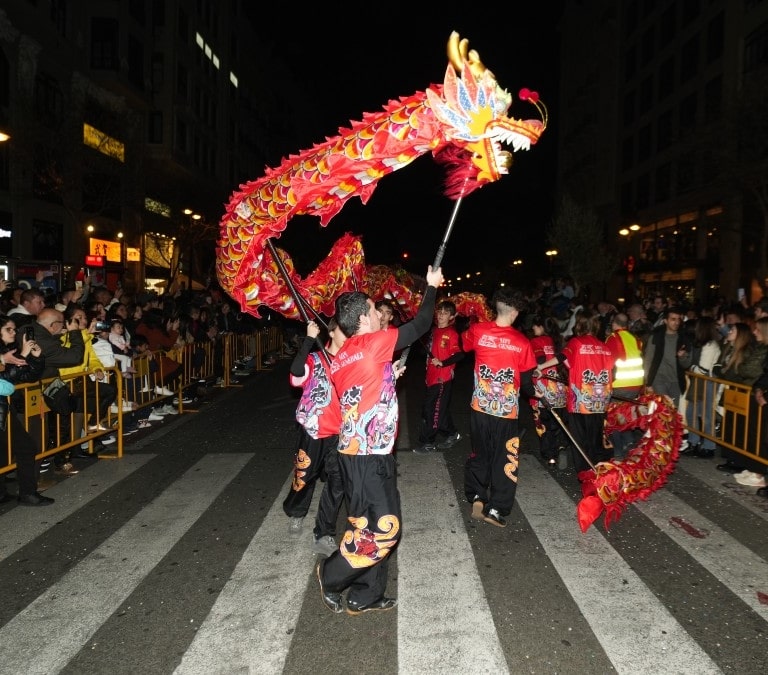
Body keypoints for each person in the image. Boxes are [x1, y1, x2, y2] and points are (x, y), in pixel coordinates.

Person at [316, 264, 443, 616]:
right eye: (374, 310)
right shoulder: (372, 343)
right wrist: (431, 287)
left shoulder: (342, 356)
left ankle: (365, 594)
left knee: (366, 525)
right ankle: (332, 573)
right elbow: (419, 326)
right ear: (362, 319)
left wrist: (389, 374)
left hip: (357, 453)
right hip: (369, 455)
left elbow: (361, 390)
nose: (379, 313)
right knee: (386, 528)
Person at [461, 287, 537, 528]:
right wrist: (538, 396)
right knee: (505, 457)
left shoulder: (478, 331)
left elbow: (464, 347)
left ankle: (476, 495)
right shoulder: (522, 342)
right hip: (506, 413)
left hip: (480, 407)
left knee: (480, 452)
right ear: (514, 312)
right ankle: (496, 508)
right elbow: (526, 384)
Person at [283, 317, 346, 558]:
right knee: (303, 476)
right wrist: (309, 340)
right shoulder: (316, 358)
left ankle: (324, 532)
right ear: (330, 332)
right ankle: (296, 511)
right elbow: (296, 372)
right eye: (343, 329)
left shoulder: (351, 360)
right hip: (313, 431)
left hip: (341, 432)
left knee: (338, 483)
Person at [538, 310, 614, 476]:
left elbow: (561, 358)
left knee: (579, 440)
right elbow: (611, 370)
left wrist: (540, 368)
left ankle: (585, 474)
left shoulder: (576, 343)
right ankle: (597, 470)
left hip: (580, 401)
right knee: (595, 438)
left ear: (578, 325)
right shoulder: (604, 346)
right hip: (600, 400)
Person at [0, 314, 53, 505]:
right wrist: (21, 354)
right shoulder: (8, 353)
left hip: (5, 407)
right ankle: (28, 493)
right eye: (9, 329)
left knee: (9, 450)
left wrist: (37, 358)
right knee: (25, 448)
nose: (14, 333)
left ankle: (10, 492)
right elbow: (5, 378)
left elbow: (27, 376)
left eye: (14, 329)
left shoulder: (9, 351)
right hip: (3, 406)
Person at [413, 299, 464, 454]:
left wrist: (443, 362)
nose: (441, 315)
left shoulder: (451, 333)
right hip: (431, 376)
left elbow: (460, 354)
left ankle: (428, 442)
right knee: (438, 410)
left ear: (452, 316)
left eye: (445, 313)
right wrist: (419, 341)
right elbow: (425, 352)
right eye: (439, 312)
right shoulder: (434, 330)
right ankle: (452, 434)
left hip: (442, 379)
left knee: (432, 411)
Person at [528, 315, 569, 466]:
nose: (533, 328)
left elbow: (539, 360)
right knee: (558, 423)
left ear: (541, 327)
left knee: (543, 425)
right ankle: (561, 447)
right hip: (560, 390)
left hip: (543, 390)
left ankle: (550, 456)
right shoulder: (559, 342)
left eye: (535, 326)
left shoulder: (536, 341)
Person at [605, 312, 645, 458]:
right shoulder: (635, 339)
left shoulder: (612, 338)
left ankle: (618, 450)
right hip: (636, 384)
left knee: (613, 417)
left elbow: (608, 362)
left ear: (614, 324)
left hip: (619, 384)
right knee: (625, 413)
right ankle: (629, 441)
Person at [682, 316, 722, 459]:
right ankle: (695, 442)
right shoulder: (707, 344)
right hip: (703, 382)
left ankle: (708, 446)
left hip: (707, 382)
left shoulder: (710, 345)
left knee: (705, 415)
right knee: (693, 413)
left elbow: (703, 369)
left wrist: (692, 368)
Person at [643, 306, 691, 409]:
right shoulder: (656, 337)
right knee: (663, 410)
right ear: (665, 321)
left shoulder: (683, 338)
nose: (676, 322)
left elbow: (687, 364)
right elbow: (648, 360)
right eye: (673, 319)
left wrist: (682, 357)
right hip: (659, 380)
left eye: (678, 319)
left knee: (673, 411)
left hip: (676, 381)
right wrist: (648, 383)